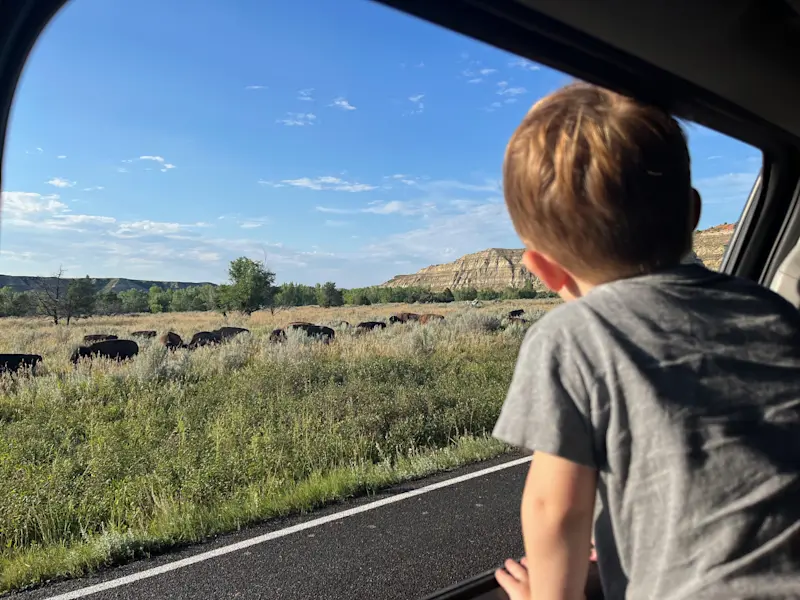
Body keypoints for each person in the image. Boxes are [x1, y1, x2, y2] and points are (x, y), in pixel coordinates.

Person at [490, 81, 800, 600]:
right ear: (694, 213)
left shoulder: (570, 338)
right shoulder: (774, 311)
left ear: (544, 270)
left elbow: (555, 510)